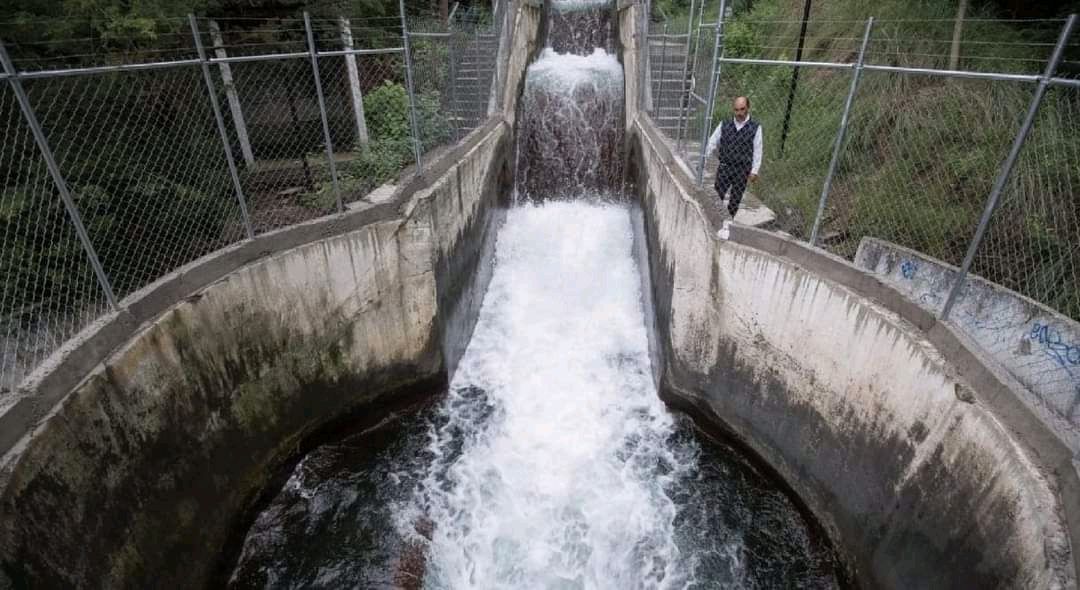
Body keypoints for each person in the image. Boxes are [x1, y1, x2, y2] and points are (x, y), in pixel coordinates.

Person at [704, 96, 763, 219]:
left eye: (742, 109)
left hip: (742, 170)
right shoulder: (724, 124)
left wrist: (754, 170)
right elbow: (712, 142)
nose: (739, 113)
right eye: (736, 110)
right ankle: (714, 219)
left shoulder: (755, 128)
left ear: (748, 108)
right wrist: (704, 158)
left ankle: (728, 223)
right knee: (717, 195)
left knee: (735, 200)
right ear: (733, 110)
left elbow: (758, 150)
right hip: (725, 166)